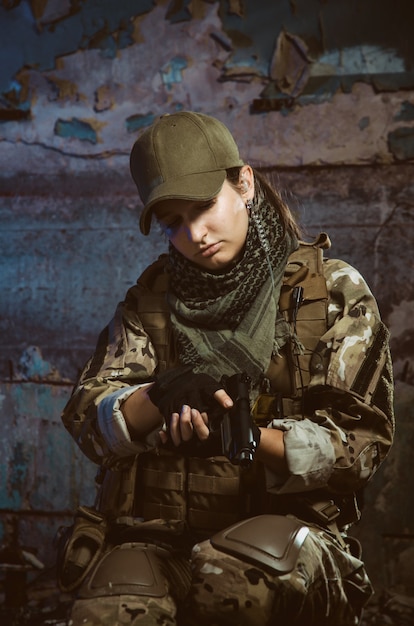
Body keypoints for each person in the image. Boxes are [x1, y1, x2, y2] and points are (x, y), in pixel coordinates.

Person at [58, 111, 395, 626]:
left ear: (244, 182)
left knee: (233, 590)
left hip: (284, 535)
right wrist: (156, 398)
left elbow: (359, 447)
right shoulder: (150, 302)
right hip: (160, 532)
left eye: (204, 206)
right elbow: (87, 417)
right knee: (109, 611)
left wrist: (247, 436)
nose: (194, 234)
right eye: (174, 222)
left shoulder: (331, 294)